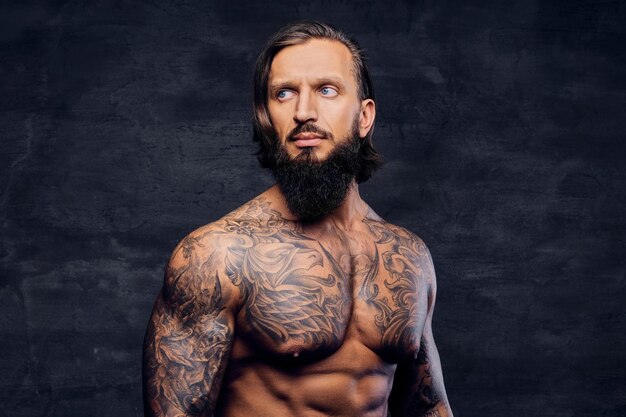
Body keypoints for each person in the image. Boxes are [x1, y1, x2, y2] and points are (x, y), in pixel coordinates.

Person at [142, 21, 454, 417]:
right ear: (266, 116)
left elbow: (428, 406)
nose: (304, 112)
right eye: (284, 93)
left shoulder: (408, 256)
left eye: (327, 90)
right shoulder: (217, 256)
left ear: (364, 116)